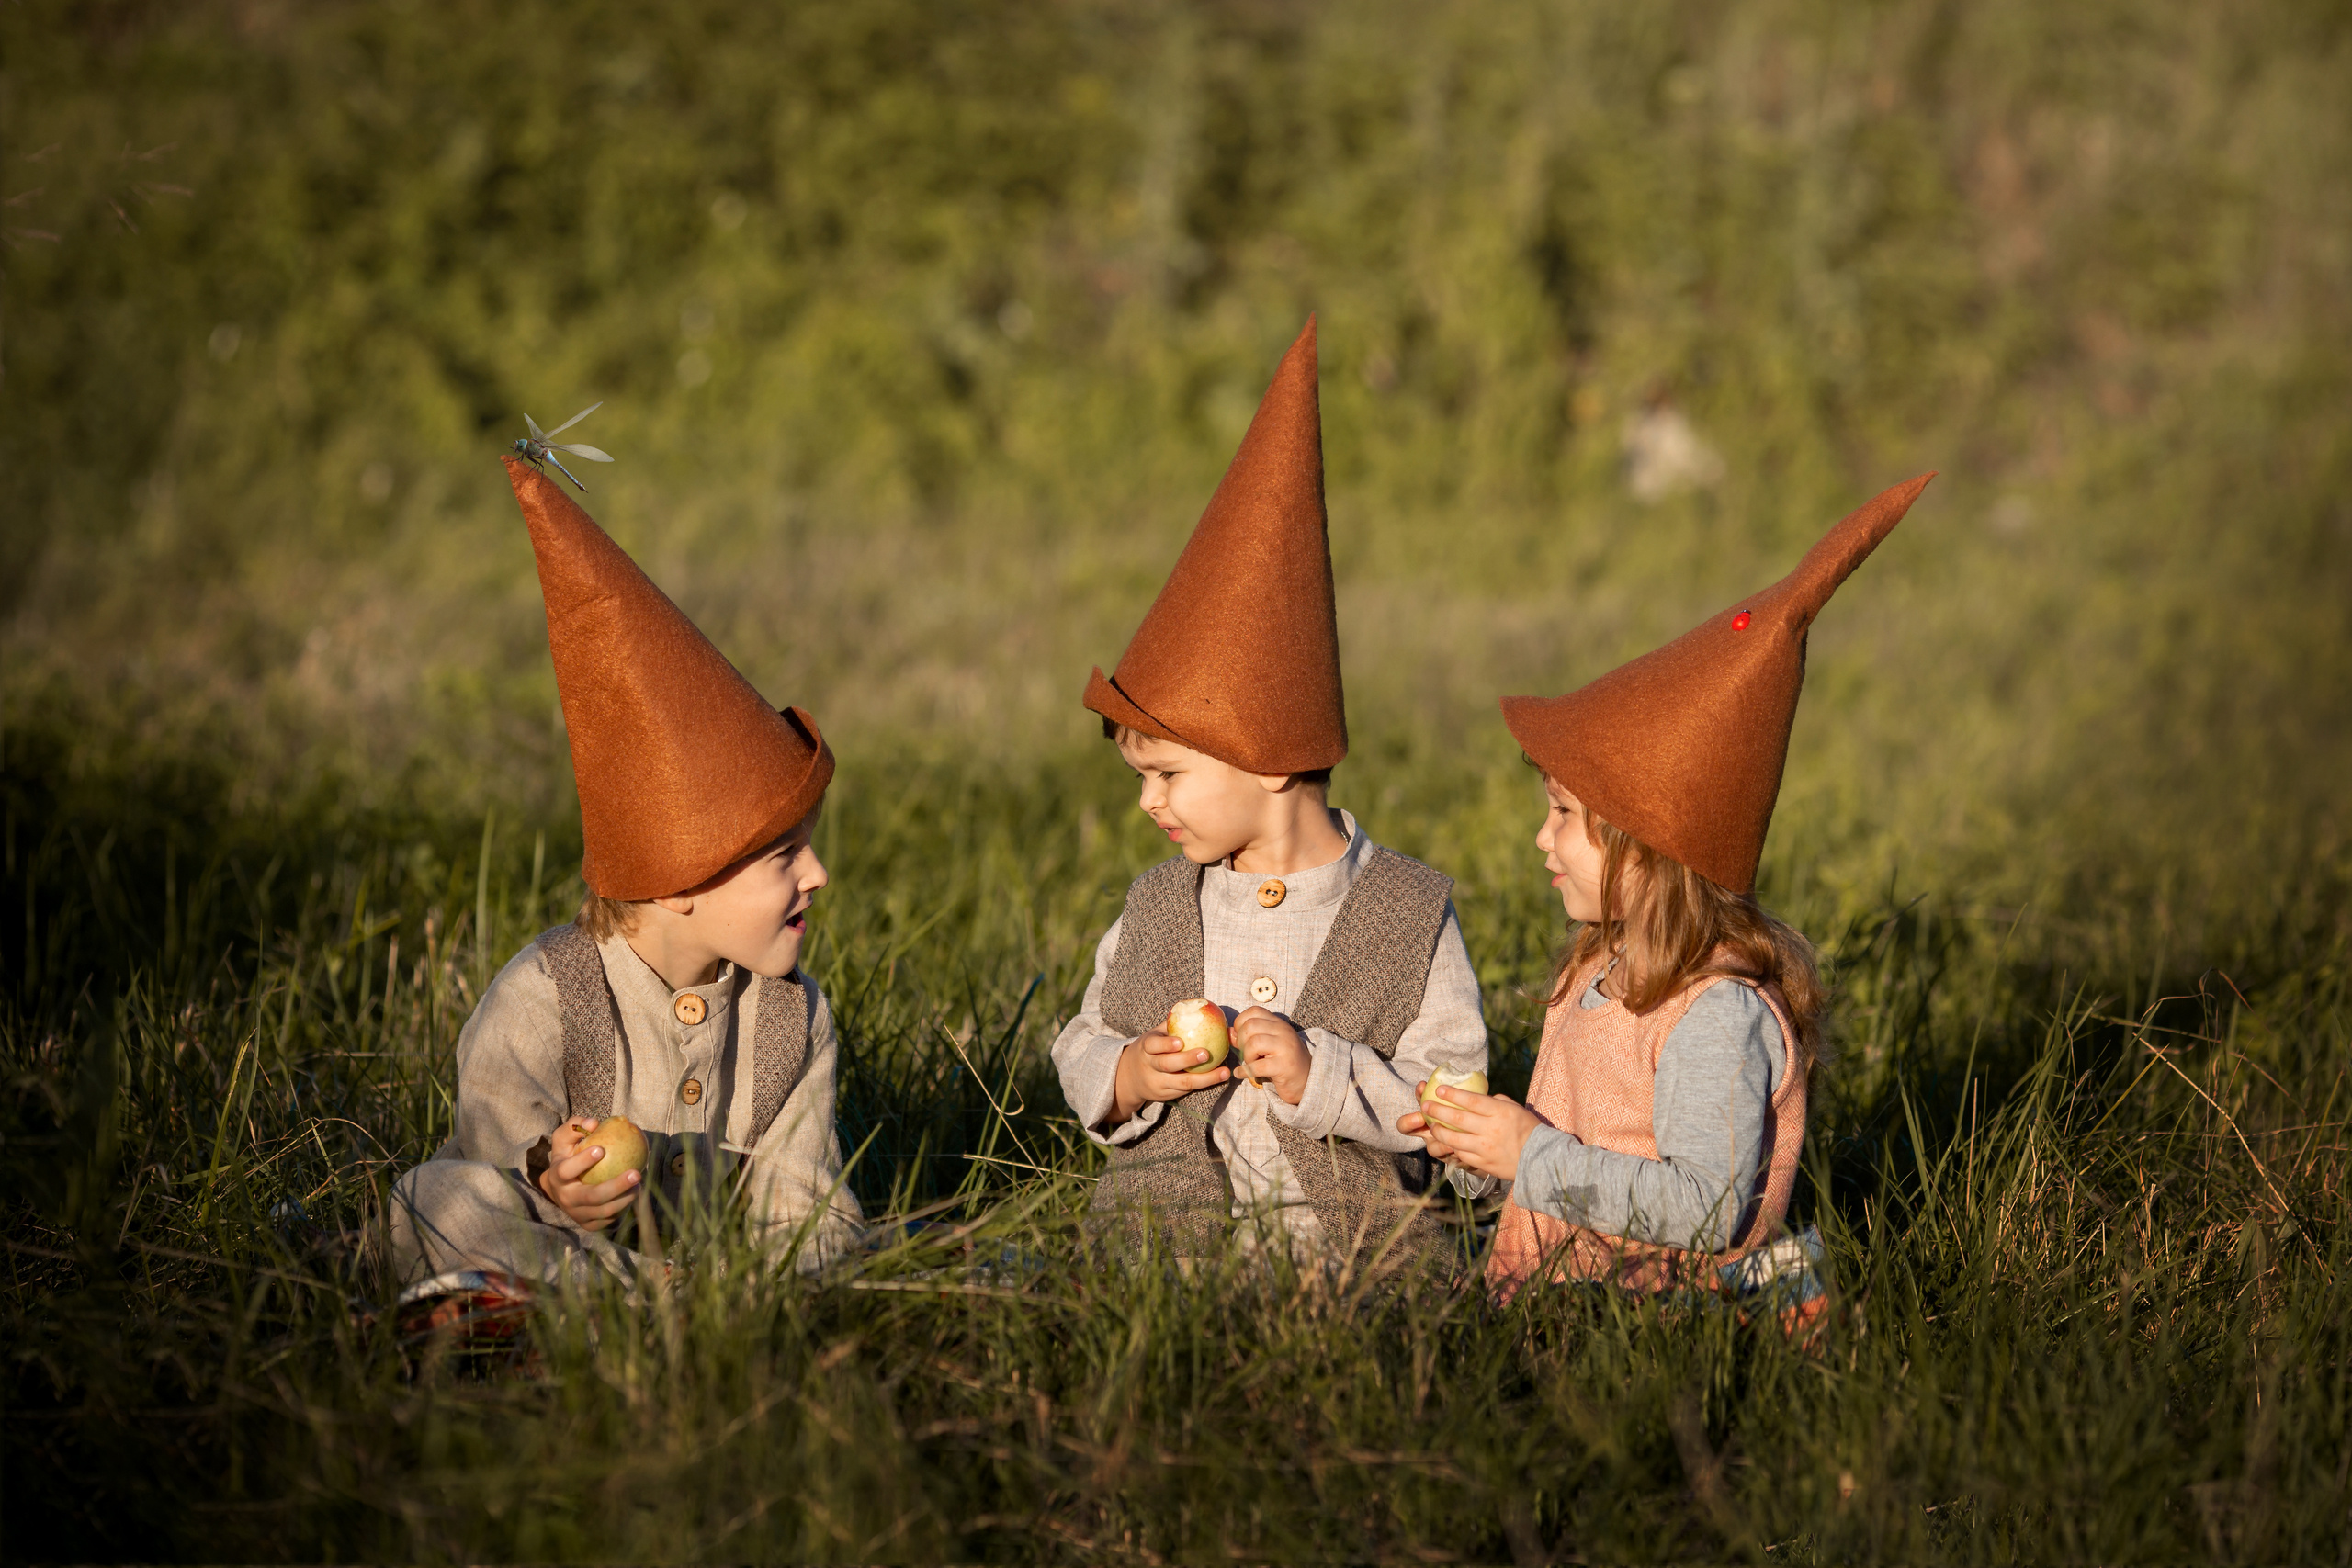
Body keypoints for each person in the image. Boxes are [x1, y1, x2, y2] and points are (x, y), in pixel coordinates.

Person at [1403, 475, 1936, 1319]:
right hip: (1560, 1288)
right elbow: (1568, 1136)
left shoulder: (1716, 1014)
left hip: (1655, 1312)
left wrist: (1529, 1155)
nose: (1542, 839)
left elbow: (1704, 1206)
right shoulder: (1600, 966)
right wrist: (1480, 1149)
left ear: (1654, 852)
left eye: (1566, 816)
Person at [1052, 318, 1489, 1273]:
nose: (1148, 805)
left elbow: (1451, 1101)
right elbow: (1083, 1034)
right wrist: (1127, 1075)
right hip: (1162, 1261)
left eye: (1168, 775)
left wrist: (1323, 1077)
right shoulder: (1160, 905)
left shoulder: (1407, 914)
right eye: (1140, 780)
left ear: (1272, 759)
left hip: (1354, 1259)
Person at [385, 456, 864, 1321]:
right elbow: (492, 1160)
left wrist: (811, 1268)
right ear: (678, 882)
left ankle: (599, 1316)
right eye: (783, 856)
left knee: (841, 1248)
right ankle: (638, 1307)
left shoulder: (793, 1019)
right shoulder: (546, 995)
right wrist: (553, 1179)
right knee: (433, 1198)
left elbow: (807, 1202)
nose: (818, 873)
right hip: (559, 1247)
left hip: (709, 1274)